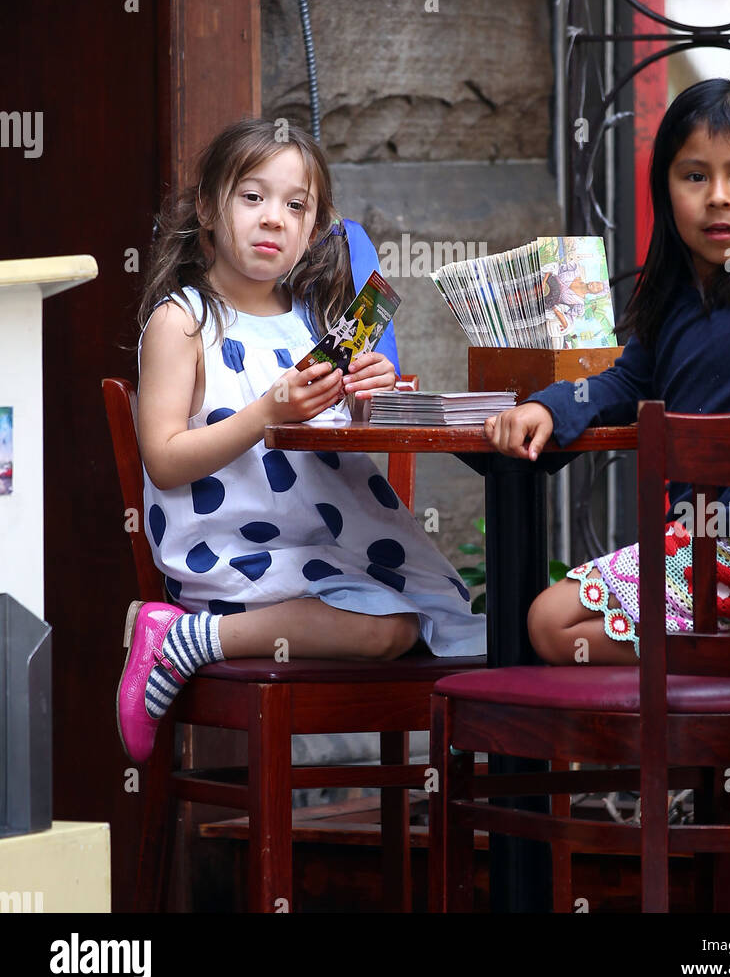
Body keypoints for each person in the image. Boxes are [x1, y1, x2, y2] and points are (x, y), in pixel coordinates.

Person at [117, 116, 484, 762]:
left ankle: (196, 638)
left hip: (327, 544)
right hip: (237, 549)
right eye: (251, 197)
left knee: (438, 625)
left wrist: (371, 395)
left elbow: (341, 443)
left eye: (296, 206)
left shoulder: (318, 323)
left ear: (314, 231)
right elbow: (166, 462)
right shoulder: (183, 320)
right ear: (207, 206)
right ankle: (187, 638)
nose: (273, 220)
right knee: (391, 630)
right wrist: (266, 412)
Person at [484, 77, 730, 666]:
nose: (718, 196)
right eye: (694, 176)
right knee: (558, 631)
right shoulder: (674, 294)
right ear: (666, 192)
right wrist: (547, 406)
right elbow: (626, 382)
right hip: (703, 543)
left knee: (550, 622)